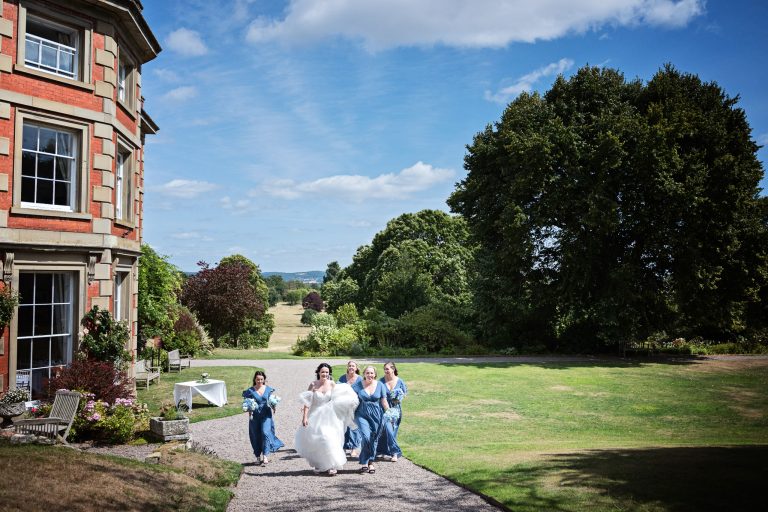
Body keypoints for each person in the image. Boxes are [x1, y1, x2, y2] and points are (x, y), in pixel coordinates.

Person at [295, 363, 359, 475]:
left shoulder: (332, 384)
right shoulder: (313, 385)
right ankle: (320, 464)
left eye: (326, 372)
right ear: (318, 372)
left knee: (328, 438)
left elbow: (339, 398)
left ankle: (331, 465)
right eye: (322, 372)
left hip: (330, 416)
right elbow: (307, 402)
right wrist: (304, 417)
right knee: (317, 440)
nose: (324, 374)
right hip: (315, 416)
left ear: (329, 373)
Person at [242, 370, 284, 466]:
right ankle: (257, 456)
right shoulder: (250, 391)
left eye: (261, 379)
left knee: (265, 433)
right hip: (255, 416)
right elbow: (247, 403)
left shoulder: (268, 389)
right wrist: (249, 411)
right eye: (258, 379)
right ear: (255, 379)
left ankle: (265, 455)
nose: (259, 381)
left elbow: (271, 401)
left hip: (266, 415)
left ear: (264, 379)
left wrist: (274, 406)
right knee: (256, 435)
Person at [352, 365, 390, 474]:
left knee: (374, 439)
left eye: (372, 373)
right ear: (364, 374)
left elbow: (384, 401)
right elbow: (350, 400)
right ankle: (364, 462)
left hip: (377, 415)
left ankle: (370, 463)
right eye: (367, 373)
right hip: (361, 414)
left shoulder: (380, 385)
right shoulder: (357, 386)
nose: (370, 375)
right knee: (366, 436)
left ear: (375, 374)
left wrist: (390, 413)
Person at [377, 361, 407, 462]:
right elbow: (379, 395)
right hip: (384, 409)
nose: (385, 371)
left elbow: (404, 393)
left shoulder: (400, 381)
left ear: (393, 369)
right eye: (384, 369)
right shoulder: (381, 381)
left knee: (392, 431)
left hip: (396, 409)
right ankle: (395, 452)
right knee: (386, 430)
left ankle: (383, 451)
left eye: (387, 369)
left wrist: (398, 398)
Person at [338, 360, 362, 456]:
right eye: (349, 366)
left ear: (356, 368)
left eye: (353, 366)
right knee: (344, 426)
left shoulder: (360, 379)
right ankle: (344, 446)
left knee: (354, 426)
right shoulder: (342, 378)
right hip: (344, 406)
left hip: (356, 406)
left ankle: (354, 447)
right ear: (347, 367)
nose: (351, 367)